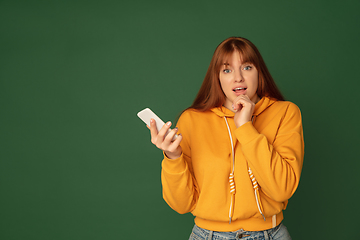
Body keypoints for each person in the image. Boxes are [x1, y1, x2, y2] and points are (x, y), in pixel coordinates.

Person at [148, 37, 304, 240]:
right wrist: (172, 157)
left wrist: (245, 127)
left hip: (270, 234)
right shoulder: (192, 119)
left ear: (259, 72)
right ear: (217, 77)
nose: (238, 78)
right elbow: (181, 204)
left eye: (247, 67)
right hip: (207, 235)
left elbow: (282, 189)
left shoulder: (285, 113)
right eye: (227, 70)